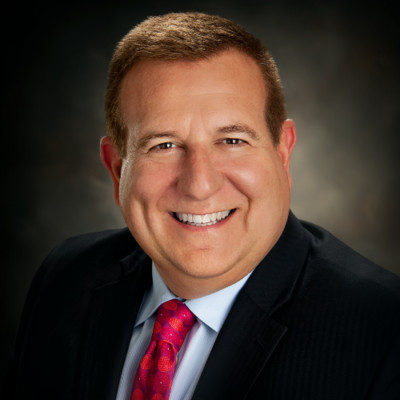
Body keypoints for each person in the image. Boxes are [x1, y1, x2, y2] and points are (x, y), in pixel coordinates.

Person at [3, 11, 400, 400]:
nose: (199, 185)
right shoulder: (66, 278)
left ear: (283, 154)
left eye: (232, 141)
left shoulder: (384, 330)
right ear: (117, 169)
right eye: (164, 145)